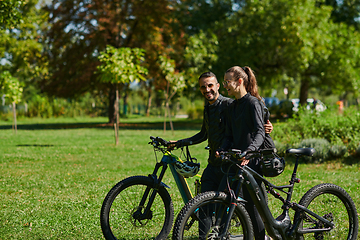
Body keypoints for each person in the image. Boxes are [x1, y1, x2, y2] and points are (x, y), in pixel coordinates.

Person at [173, 71, 273, 195]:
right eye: (203, 87)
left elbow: (250, 123)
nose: (207, 89)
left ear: (218, 86)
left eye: (210, 85)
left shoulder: (229, 104)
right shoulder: (208, 108)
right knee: (204, 204)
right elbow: (204, 134)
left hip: (229, 164)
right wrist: (179, 143)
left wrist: (266, 126)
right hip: (214, 162)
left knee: (226, 206)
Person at [218, 66, 274, 240]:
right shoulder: (231, 106)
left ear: (239, 81)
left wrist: (249, 151)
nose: (225, 85)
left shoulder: (253, 103)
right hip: (238, 161)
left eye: (227, 81)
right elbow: (228, 135)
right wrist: (222, 149)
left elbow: (260, 132)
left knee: (255, 208)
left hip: (253, 162)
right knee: (229, 200)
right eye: (224, 81)